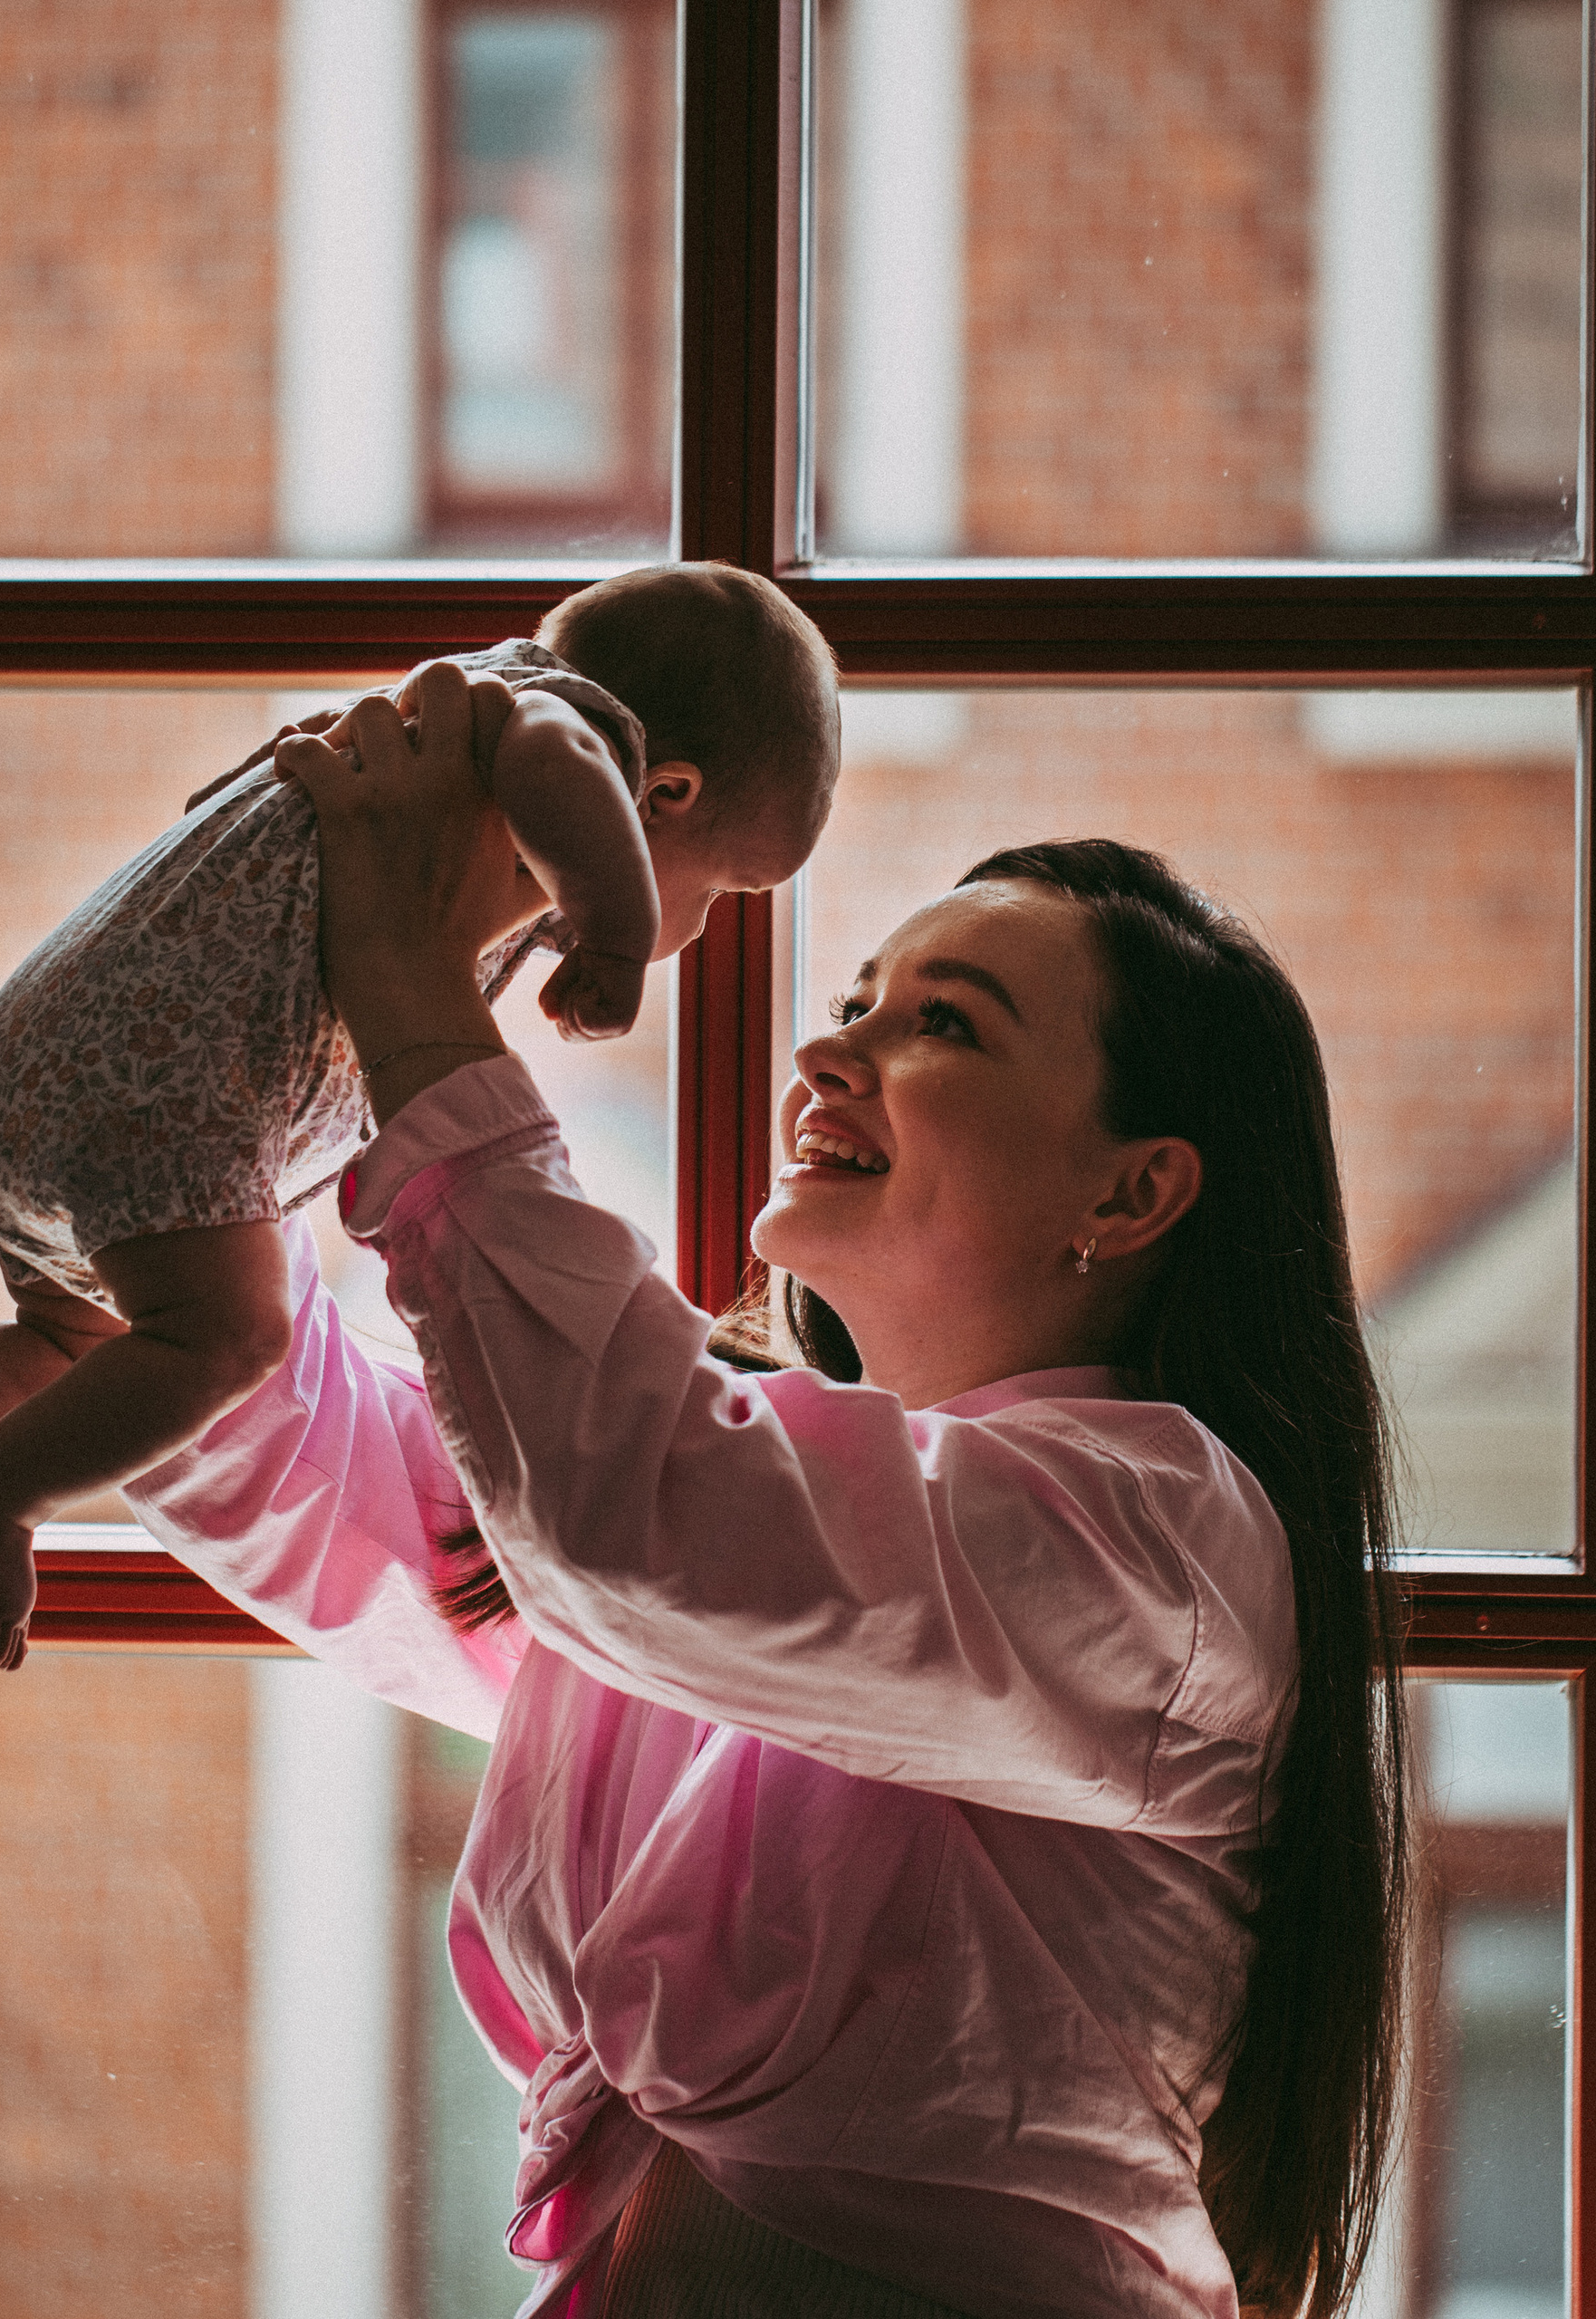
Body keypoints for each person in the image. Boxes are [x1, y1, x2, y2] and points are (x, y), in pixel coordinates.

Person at [126, 664, 1409, 2319]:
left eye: (943, 1023)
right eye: (861, 1000)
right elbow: (333, 1471)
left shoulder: (1161, 1549)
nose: (828, 1045)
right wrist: (185, 1130)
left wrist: (415, 997)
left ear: (1136, 1189)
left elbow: (626, 1517)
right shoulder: (763, 1501)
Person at [0, 563, 839, 1669]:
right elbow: (557, 767)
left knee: (75, 1333)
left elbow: (236, 788)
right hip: (156, 1084)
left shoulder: (414, 726)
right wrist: (613, 932)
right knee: (226, 1334)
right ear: (661, 793)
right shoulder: (557, 730)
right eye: (723, 890)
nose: (703, 926)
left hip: (30, 1062)